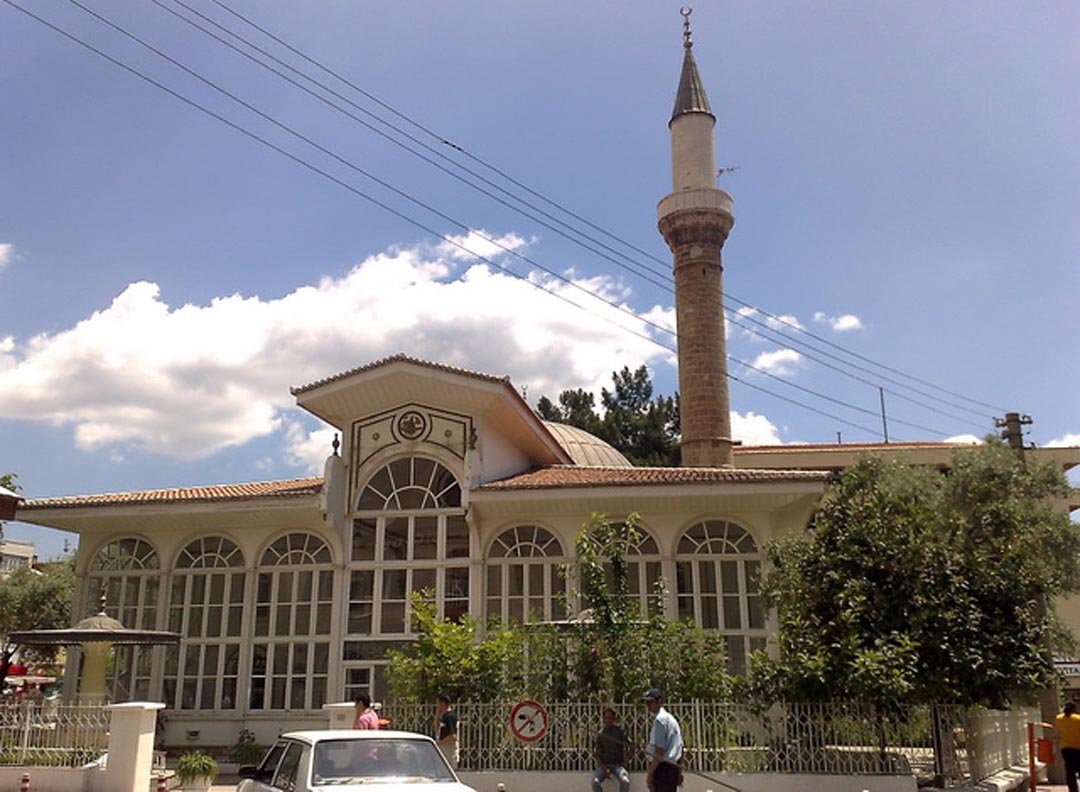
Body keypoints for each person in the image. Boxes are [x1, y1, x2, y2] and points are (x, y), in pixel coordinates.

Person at [643, 688, 683, 792]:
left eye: (650, 702)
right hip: (672, 768)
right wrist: (679, 772)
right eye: (647, 702)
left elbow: (659, 751)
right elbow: (680, 748)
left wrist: (650, 773)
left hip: (662, 769)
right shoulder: (672, 719)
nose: (648, 705)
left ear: (659, 702)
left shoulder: (659, 721)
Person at [591, 706, 631, 792]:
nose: (607, 720)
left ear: (613, 719)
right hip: (604, 765)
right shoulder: (600, 734)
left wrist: (626, 762)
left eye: (610, 718)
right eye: (605, 718)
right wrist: (604, 769)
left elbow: (631, 746)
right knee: (595, 782)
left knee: (625, 781)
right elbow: (596, 754)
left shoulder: (619, 732)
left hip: (617, 765)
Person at [1057, 701, 1080, 792]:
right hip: (1078, 747)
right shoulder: (1078, 719)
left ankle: (1073, 789)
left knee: (1070, 770)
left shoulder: (1059, 718)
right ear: (1074, 709)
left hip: (1065, 748)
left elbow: (1058, 730)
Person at [435, 694, 459, 769]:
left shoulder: (450, 717)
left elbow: (453, 735)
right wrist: (437, 715)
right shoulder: (444, 717)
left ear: (442, 704)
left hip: (449, 751)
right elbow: (436, 728)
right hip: (443, 749)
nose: (437, 706)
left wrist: (440, 743)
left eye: (438, 703)